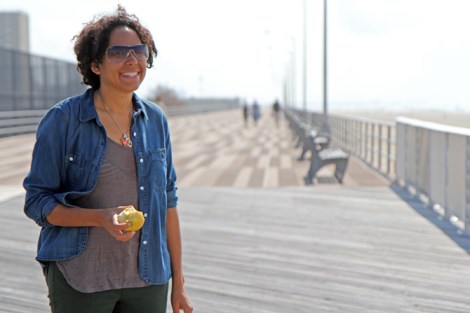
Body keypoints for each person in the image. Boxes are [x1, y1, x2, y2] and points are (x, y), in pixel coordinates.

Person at [23, 5, 192, 313]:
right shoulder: (64, 119)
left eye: (138, 51)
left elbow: (168, 201)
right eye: (117, 52)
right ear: (95, 64)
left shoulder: (156, 119)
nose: (132, 60)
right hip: (81, 278)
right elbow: (37, 201)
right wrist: (98, 218)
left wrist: (178, 282)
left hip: (149, 280)